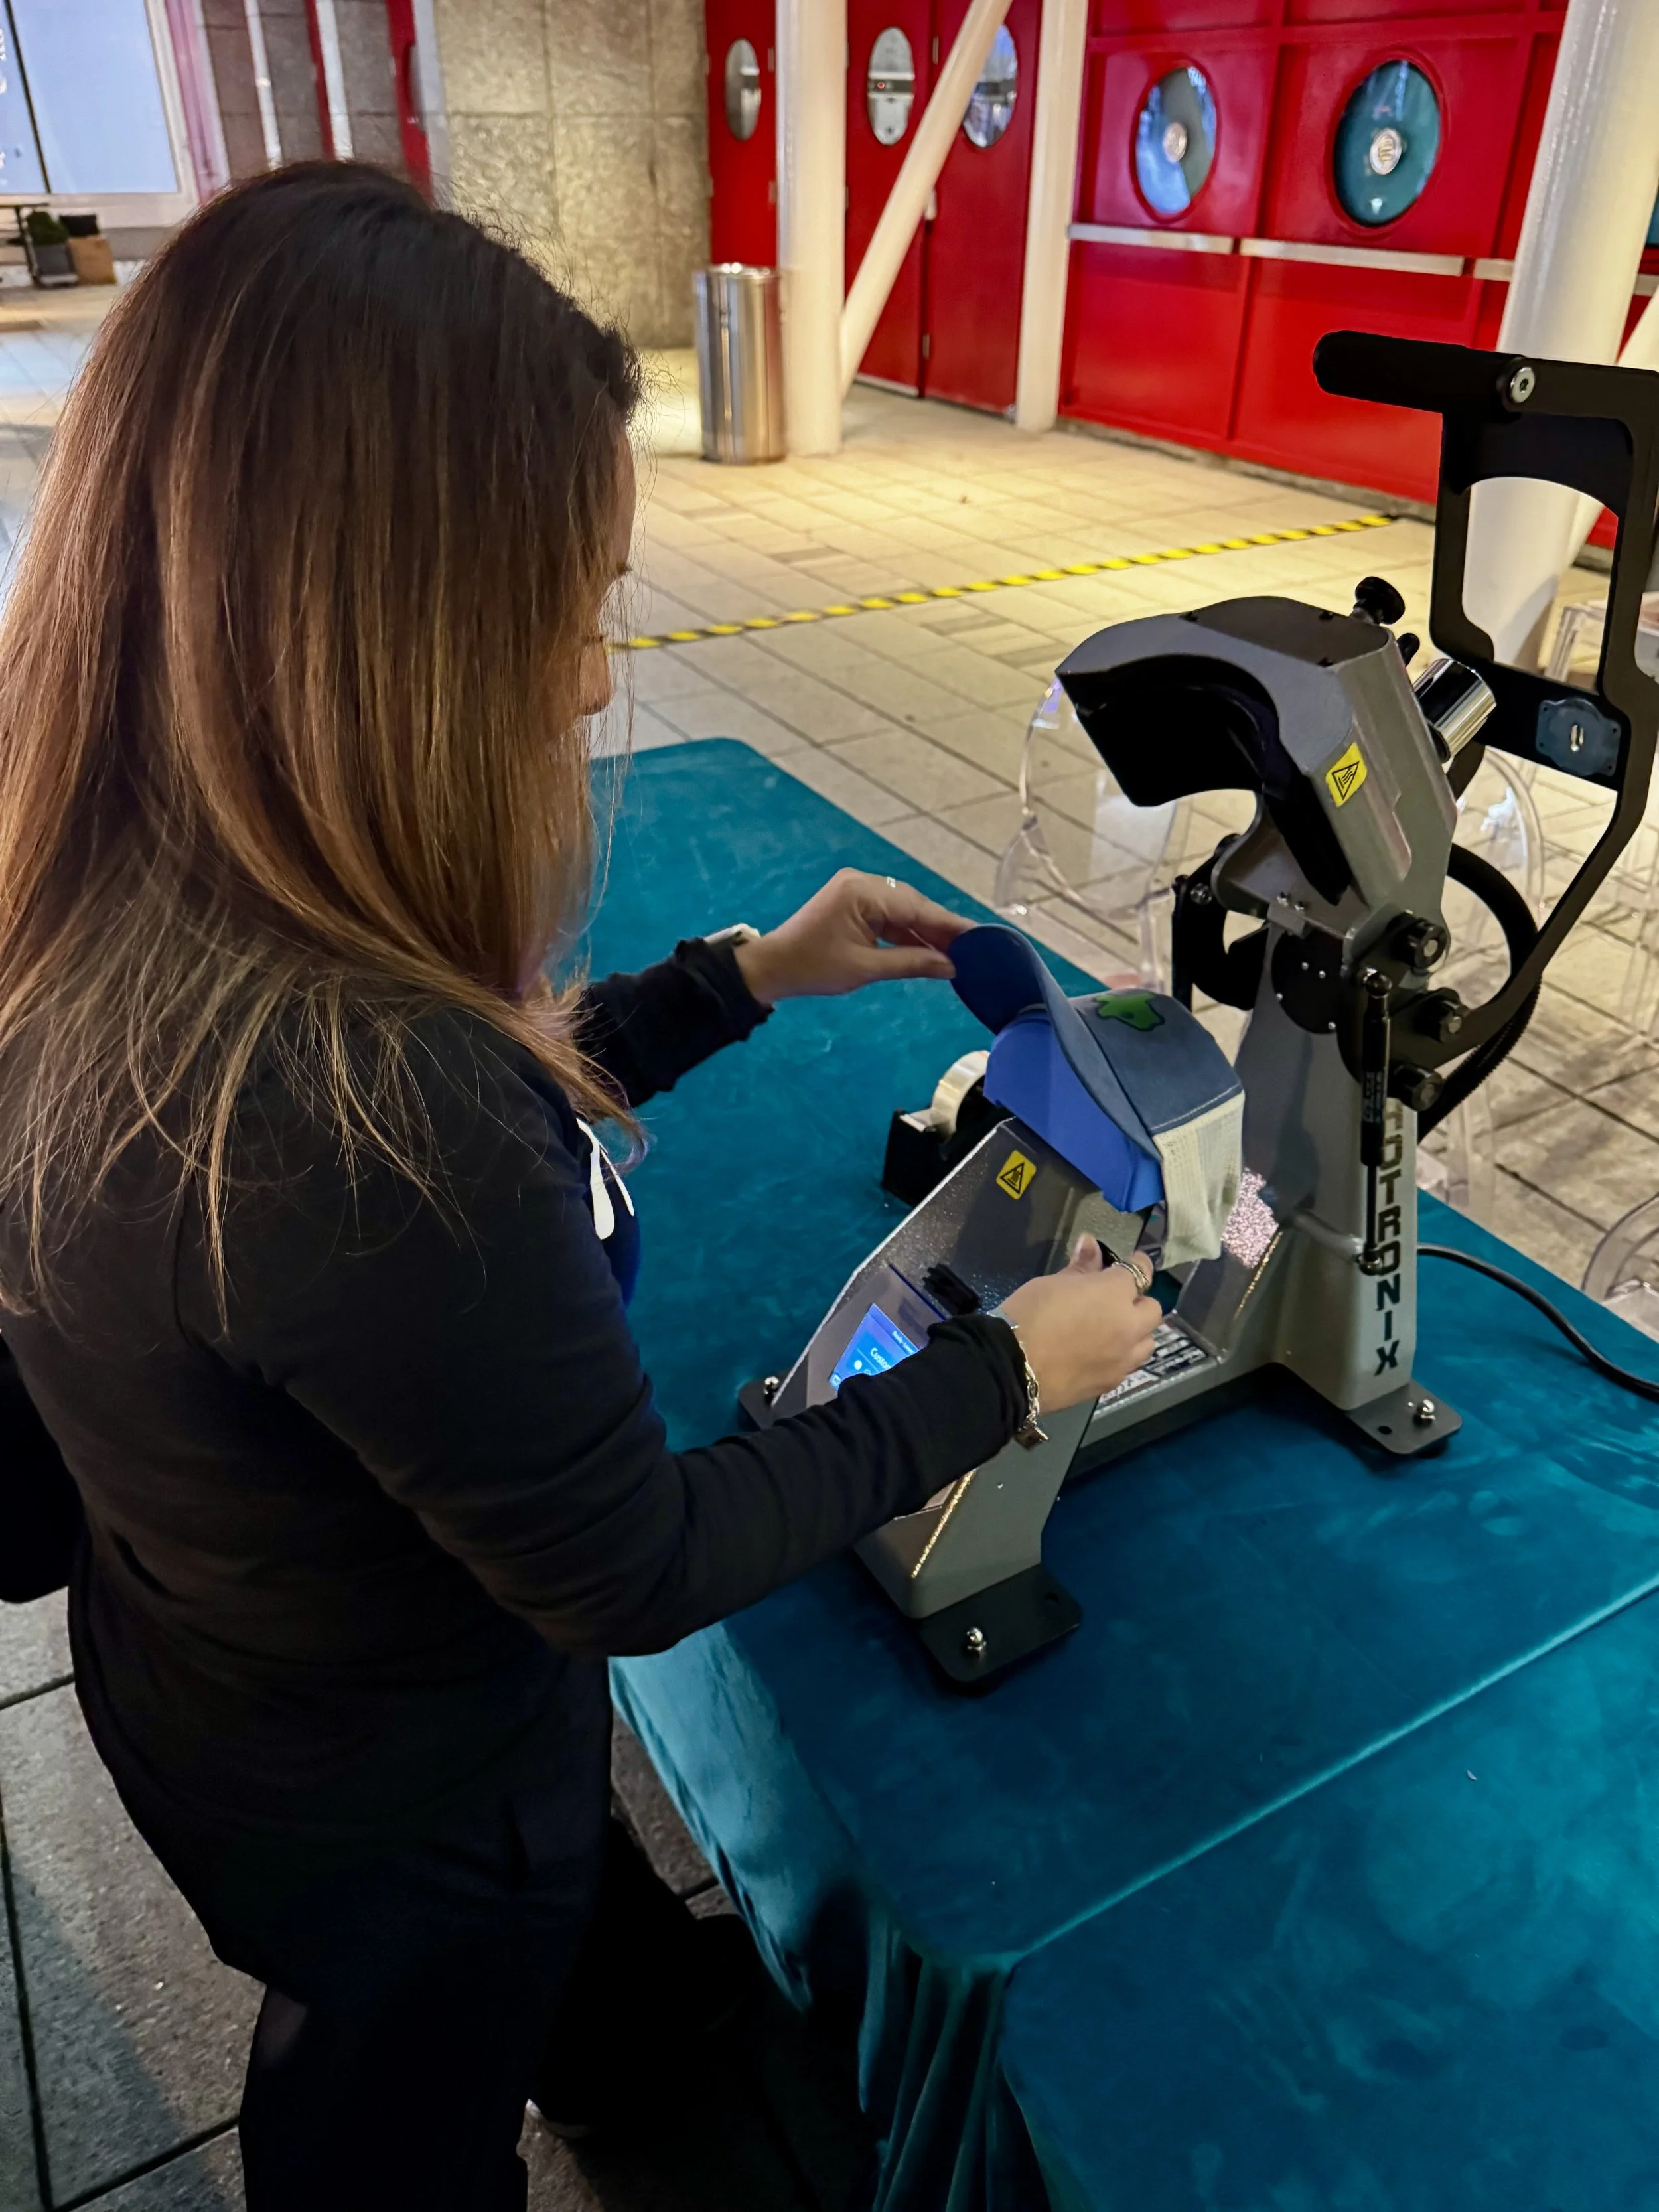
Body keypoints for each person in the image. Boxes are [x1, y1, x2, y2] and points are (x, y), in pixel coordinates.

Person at [0, 164, 1159, 2211]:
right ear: (392, 640)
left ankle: (627, 2033)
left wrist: (731, 982)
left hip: (221, 1680)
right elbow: (624, 1558)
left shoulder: (138, 929)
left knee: (540, 1959)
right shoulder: (369, 1113)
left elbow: (376, 1230)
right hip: (400, 1793)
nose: (596, 679)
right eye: (577, 609)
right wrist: (1009, 1371)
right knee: (397, 2095)